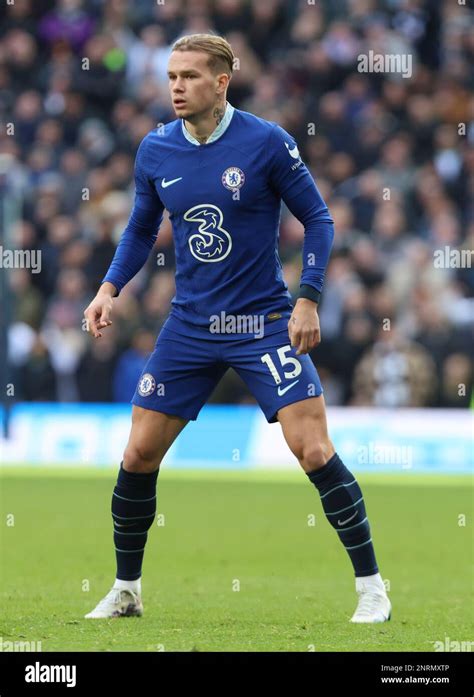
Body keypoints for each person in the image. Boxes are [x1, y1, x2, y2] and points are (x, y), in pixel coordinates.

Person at [83, 34, 391, 623]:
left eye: (190, 77)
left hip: (264, 323)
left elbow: (319, 221)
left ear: (221, 82)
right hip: (190, 325)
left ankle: (372, 588)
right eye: (171, 76)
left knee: (314, 449)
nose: (176, 86)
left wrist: (309, 299)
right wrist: (107, 289)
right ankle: (126, 590)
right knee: (138, 454)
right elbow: (141, 230)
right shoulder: (155, 150)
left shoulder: (267, 142)